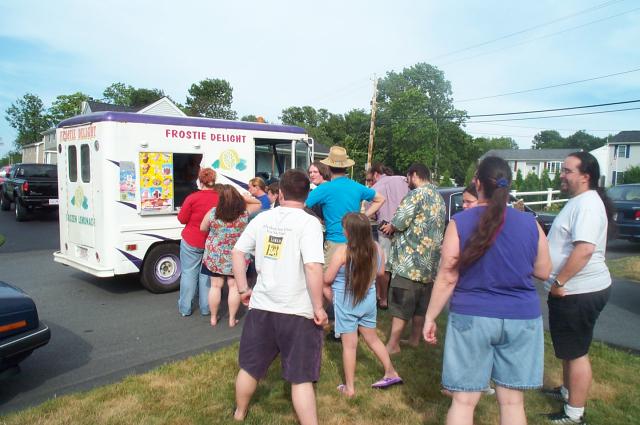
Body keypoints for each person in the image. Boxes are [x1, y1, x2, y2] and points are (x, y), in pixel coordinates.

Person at [423, 156, 551, 425]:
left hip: (472, 317)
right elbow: (543, 270)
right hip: (522, 318)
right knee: (512, 402)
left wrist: (430, 317)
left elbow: (447, 276)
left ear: (477, 183)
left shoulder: (459, 222)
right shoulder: (531, 223)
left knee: (463, 401)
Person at [231, 169, 328, 424]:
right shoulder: (310, 223)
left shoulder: (263, 218)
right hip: (298, 309)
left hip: (262, 305)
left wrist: (243, 289)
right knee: (301, 377)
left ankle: (239, 412)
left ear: (281, 193)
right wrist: (319, 307)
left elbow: (238, 252)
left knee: (250, 367)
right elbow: (313, 266)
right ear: (306, 195)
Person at [542, 152, 614, 425]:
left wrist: (560, 282)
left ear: (585, 176)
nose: (561, 175)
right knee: (568, 348)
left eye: (567, 171)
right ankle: (566, 391)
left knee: (577, 353)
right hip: (572, 290)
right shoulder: (579, 201)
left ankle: (574, 413)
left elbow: (584, 250)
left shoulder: (588, 205)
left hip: (578, 291)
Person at [324, 213, 402, 397]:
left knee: (349, 346)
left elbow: (327, 279)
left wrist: (331, 297)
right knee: (373, 339)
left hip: (346, 303)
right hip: (368, 300)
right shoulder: (376, 247)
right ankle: (391, 372)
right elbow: (381, 273)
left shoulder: (342, 251)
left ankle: (350, 388)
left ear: (349, 232)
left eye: (344, 228)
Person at [379, 163, 445, 354]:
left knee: (401, 304)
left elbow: (399, 222)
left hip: (410, 262)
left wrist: (390, 227)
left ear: (414, 175)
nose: (406, 181)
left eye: (407, 177)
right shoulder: (438, 197)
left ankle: (393, 344)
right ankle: (415, 339)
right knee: (420, 306)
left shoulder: (415, 195)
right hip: (429, 264)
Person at [306, 146, 385, 267]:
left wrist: (316, 219)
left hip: (334, 242)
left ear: (328, 167)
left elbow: (302, 205)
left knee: (329, 277)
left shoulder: (324, 188)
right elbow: (381, 199)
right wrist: (363, 216)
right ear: (346, 166)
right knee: (354, 276)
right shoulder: (357, 186)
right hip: (356, 242)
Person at [200, 185, 249, 327]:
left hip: (216, 256)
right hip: (236, 256)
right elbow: (257, 203)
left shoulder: (213, 212)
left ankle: (213, 318)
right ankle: (232, 319)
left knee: (215, 286)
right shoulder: (244, 214)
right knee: (233, 286)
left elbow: (202, 228)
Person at [177, 168, 219, 317]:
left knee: (188, 273)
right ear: (214, 181)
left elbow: (182, 219)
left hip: (191, 240)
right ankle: (206, 308)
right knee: (206, 276)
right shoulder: (221, 199)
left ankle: (185, 308)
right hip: (211, 242)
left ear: (200, 181)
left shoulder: (192, 198)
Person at [368, 162, 409, 309]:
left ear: (375, 174)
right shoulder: (403, 180)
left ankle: (383, 298)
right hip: (404, 229)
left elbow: (372, 213)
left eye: (370, 179)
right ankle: (401, 299)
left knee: (384, 267)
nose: (370, 182)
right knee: (402, 266)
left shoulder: (376, 188)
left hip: (384, 231)